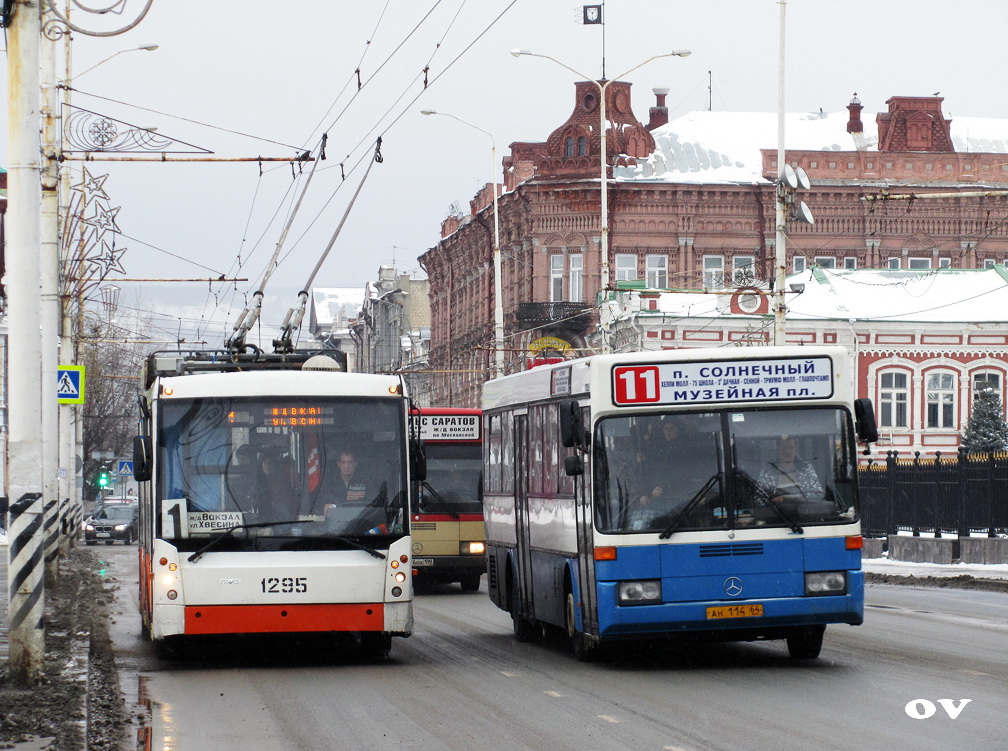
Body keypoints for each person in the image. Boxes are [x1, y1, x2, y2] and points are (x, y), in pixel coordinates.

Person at [756, 435, 824, 505]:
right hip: (777, 512)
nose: (787, 451)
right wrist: (772, 501)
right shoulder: (768, 471)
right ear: (777, 449)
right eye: (783, 448)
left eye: (791, 447)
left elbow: (818, 494)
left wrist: (802, 500)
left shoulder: (806, 468)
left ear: (795, 449)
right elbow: (758, 498)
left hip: (803, 512)